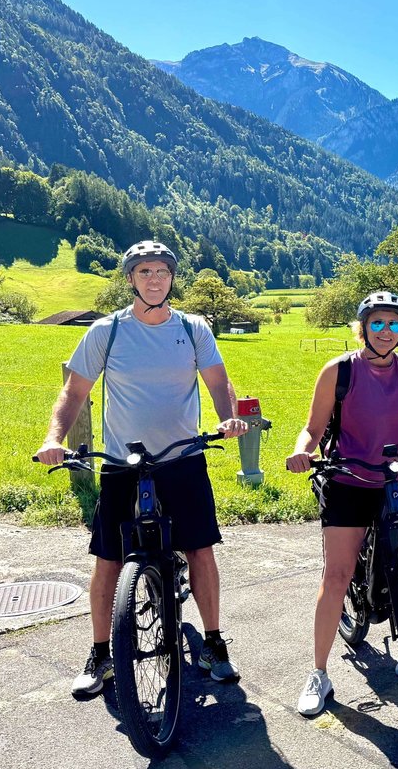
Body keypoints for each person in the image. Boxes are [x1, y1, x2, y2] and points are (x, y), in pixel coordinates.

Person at [35, 240, 249, 699]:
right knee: (109, 559)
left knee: (200, 550)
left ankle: (213, 642)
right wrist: (54, 439)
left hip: (182, 458)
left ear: (172, 278)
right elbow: (74, 392)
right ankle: (100, 653)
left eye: (162, 272)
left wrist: (228, 416)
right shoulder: (107, 331)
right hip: (121, 463)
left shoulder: (192, 328)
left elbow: (218, 382)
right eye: (145, 272)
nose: (155, 279)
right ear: (131, 279)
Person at [286, 291, 398, 716]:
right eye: (377, 323)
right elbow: (313, 429)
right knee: (337, 574)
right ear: (363, 327)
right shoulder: (339, 371)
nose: (386, 331)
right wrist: (301, 452)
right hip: (349, 481)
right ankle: (318, 673)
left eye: (394, 324)